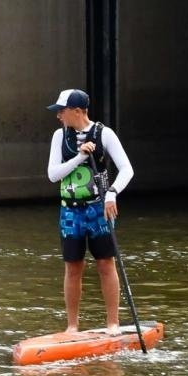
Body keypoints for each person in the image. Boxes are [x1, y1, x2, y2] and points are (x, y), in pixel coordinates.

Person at [46, 88, 135, 334]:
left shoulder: (104, 133)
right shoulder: (58, 136)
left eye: (61, 111)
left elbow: (127, 169)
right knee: (73, 267)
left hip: (99, 209)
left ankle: (113, 323)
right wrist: (79, 157)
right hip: (70, 212)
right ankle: (72, 326)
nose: (58, 116)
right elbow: (53, 175)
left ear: (76, 111)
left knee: (106, 263)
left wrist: (113, 193)